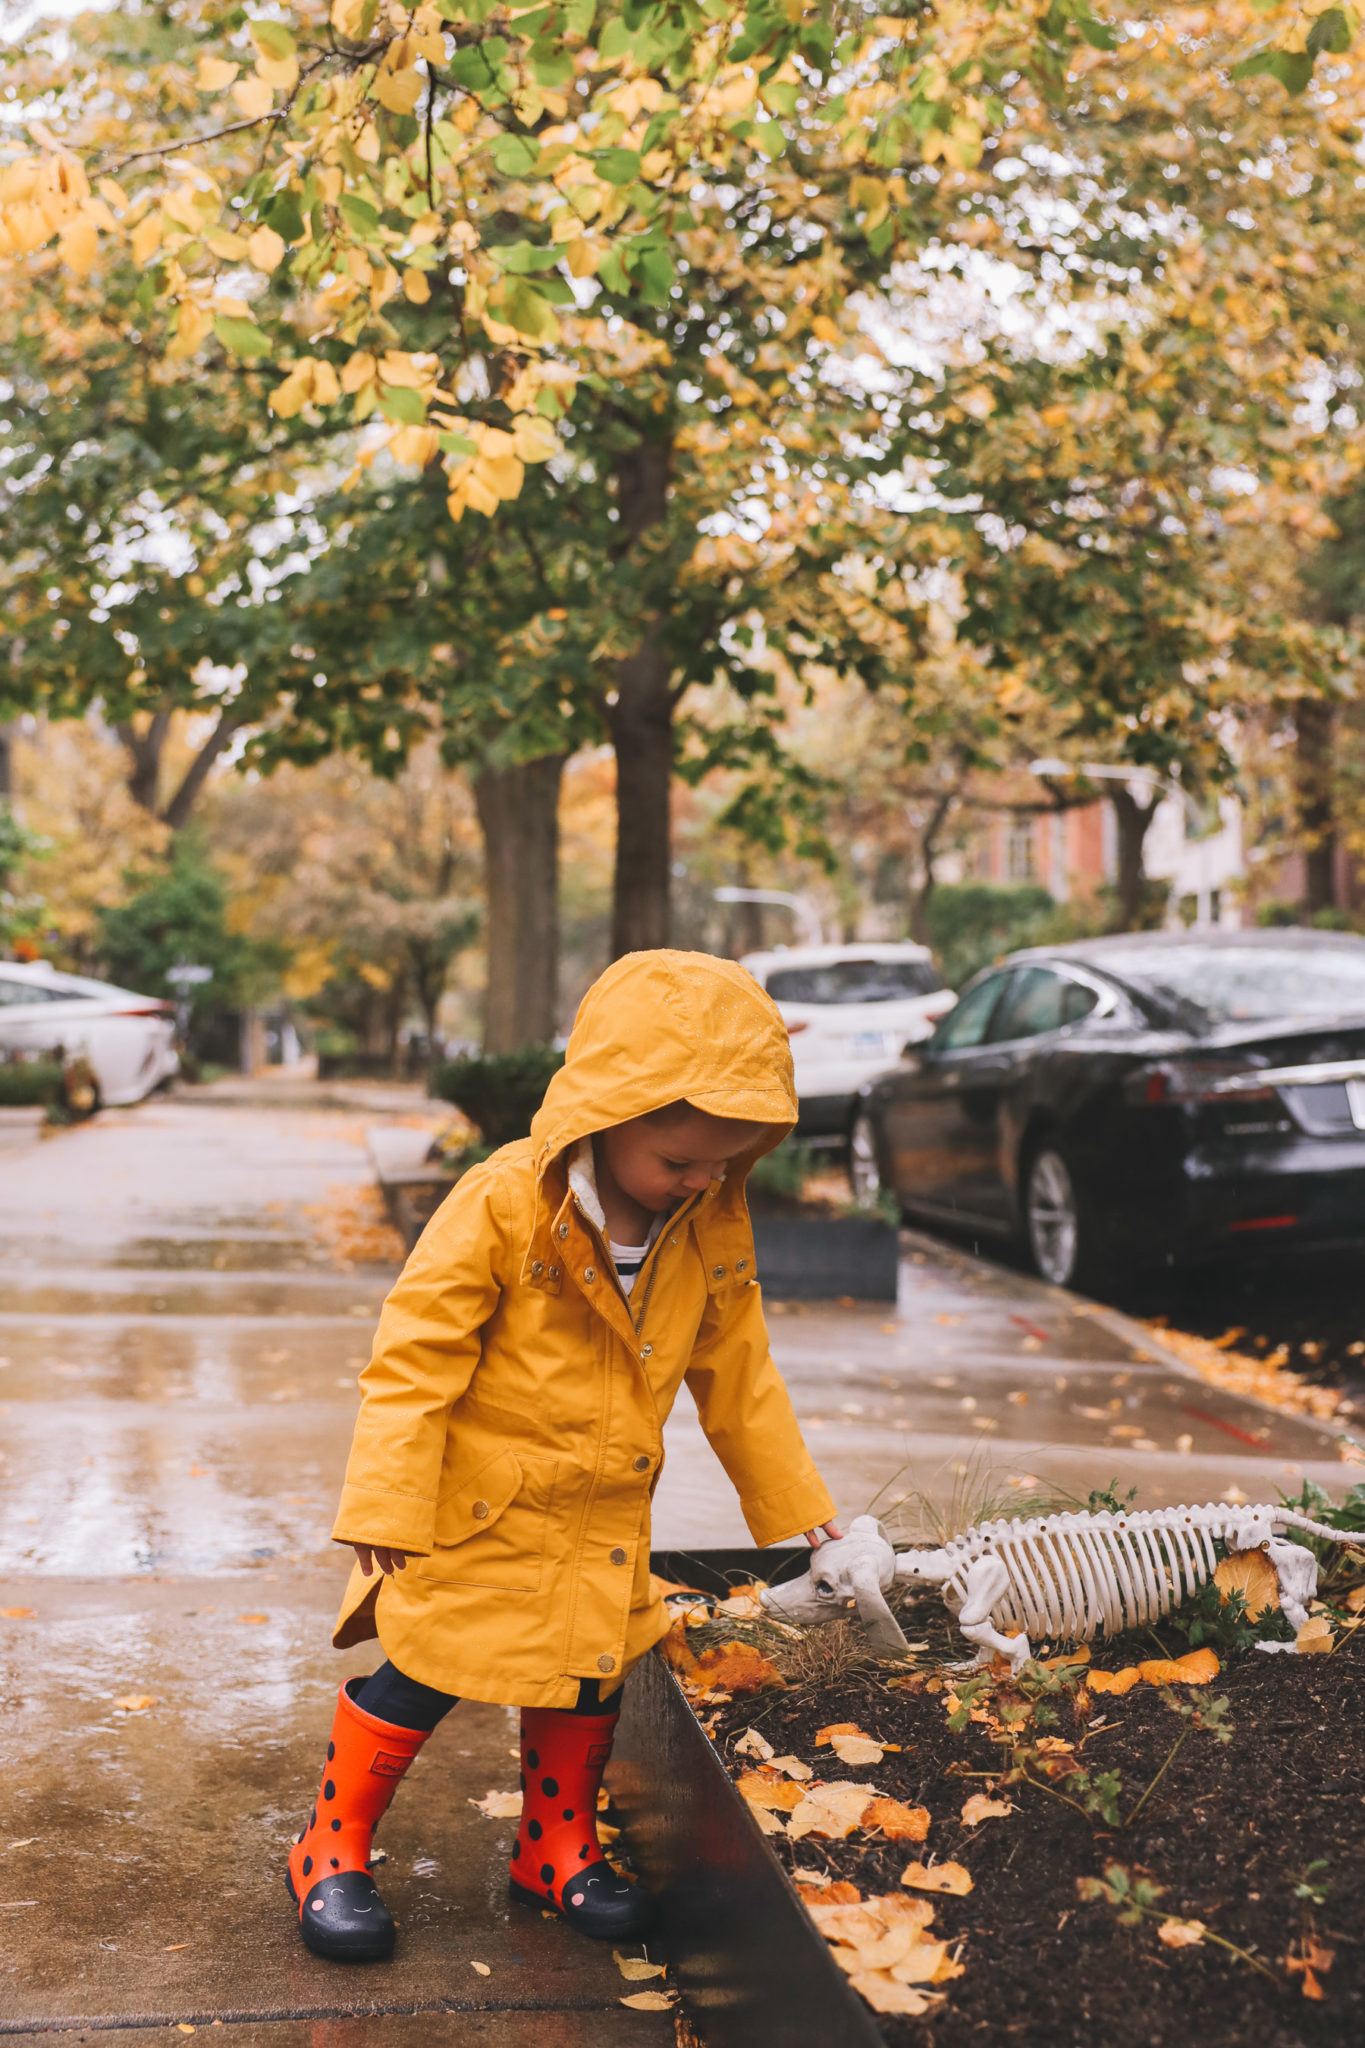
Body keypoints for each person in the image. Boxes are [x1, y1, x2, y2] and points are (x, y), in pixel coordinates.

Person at [287, 950, 839, 1962]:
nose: (702, 1179)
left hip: (603, 1515)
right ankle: (333, 1840)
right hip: (484, 1511)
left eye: (724, 1159)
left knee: (588, 1677)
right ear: (609, 1112)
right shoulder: (506, 1205)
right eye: (679, 1160)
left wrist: (796, 1500)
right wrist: (384, 1500)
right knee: (421, 1670)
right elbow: (414, 1358)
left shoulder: (707, 1226)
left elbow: (738, 1368)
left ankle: (554, 1842)